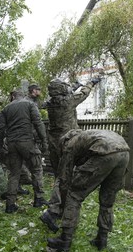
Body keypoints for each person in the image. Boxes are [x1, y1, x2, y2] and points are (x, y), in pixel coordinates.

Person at [47, 129, 130, 252]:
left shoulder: (70, 144)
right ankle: (102, 239)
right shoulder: (89, 136)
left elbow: (64, 179)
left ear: (64, 142)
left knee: (74, 194)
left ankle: (64, 240)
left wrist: (63, 205)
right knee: (107, 199)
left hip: (104, 151)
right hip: (124, 152)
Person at [39, 77, 101, 232]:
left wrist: (74, 86)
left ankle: (60, 206)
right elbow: (84, 93)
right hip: (67, 142)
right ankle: (53, 210)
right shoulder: (68, 102)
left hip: (53, 143)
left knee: (59, 175)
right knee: (64, 176)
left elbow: (66, 93)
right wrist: (90, 83)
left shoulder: (50, 103)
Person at [0, 89, 49, 213]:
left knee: (14, 174)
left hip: (12, 144)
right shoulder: (30, 104)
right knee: (37, 169)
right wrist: (44, 140)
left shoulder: (6, 109)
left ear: (13, 96)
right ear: (23, 96)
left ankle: (10, 205)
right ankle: (39, 198)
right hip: (27, 142)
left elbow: (0, 129)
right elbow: (38, 123)